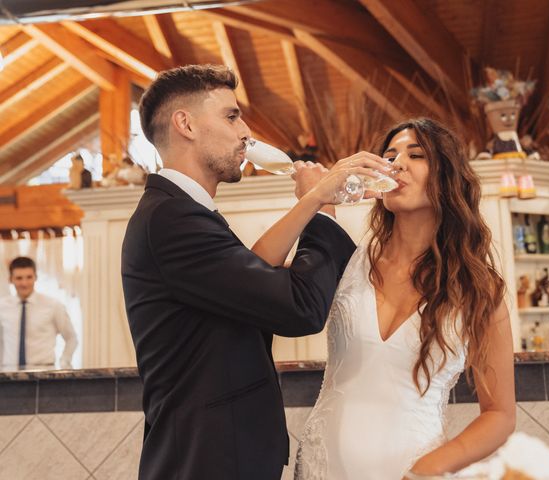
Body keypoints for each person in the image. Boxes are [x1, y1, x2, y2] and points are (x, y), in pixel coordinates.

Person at [121, 64, 389, 480]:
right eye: (232, 116)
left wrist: (312, 199)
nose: (246, 131)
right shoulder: (172, 220)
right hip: (206, 461)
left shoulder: (180, 211)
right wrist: (324, 211)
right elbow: (300, 308)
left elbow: (253, 269)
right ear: (185, 123)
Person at [295, 118, 516, 479]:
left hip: (414, 470)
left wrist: (429, 467)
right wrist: (314, 198)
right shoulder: (346, 259)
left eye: (416, 155)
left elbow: (500, 415)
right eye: (390, 154)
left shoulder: (478, 291)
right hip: (322, 467)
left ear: (447, 177)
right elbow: (260, 269)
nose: (397, 164)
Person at [0, 256, 77, 369]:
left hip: (44, 374)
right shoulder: (2, 307)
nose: (24, 283)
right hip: (9, 375)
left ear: (36, 277)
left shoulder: (53, 305)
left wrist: (65, 362)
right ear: (11, 279)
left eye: (29, 277)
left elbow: (71, 338)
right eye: (19, 278)